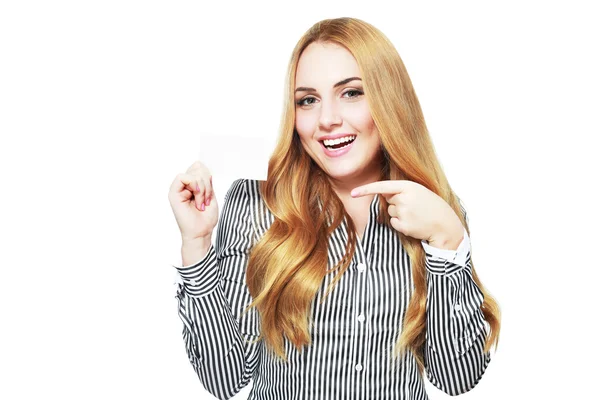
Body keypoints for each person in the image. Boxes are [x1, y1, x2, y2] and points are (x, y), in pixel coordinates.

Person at [168, 17, 501, 400]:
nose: (327, 120)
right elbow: (225, 380)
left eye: (351, 93)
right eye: (308, 100)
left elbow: (457, 378)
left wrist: (448, 240)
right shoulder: (257, 204)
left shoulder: (435, 210)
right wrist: (196, 244)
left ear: (389, 101)